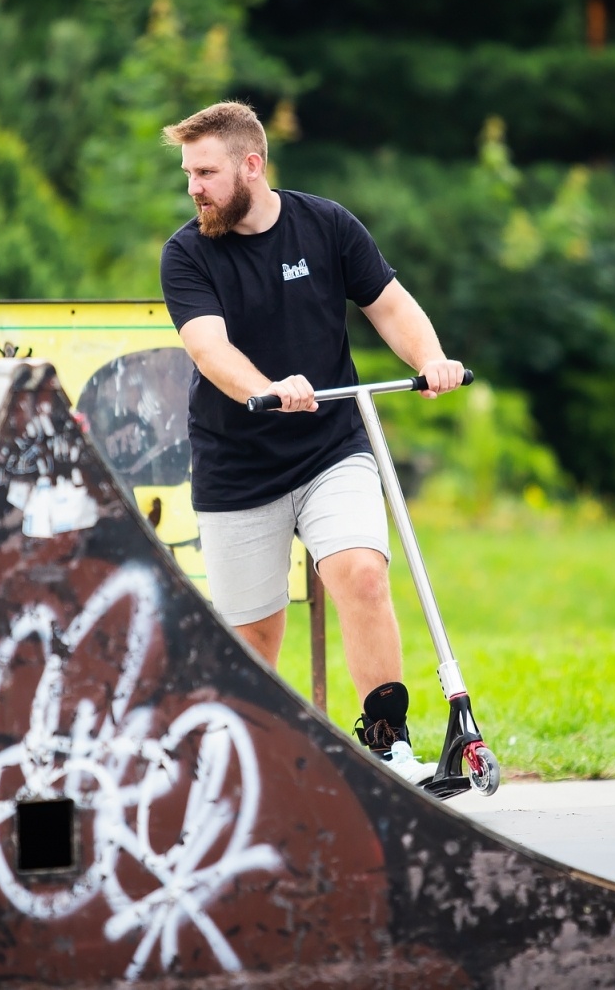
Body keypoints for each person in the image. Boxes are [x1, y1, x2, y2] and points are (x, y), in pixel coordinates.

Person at [158, 100, 466, 783]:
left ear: (251, 165)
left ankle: (388, 749)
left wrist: (431, 359)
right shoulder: (186, 253)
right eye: (189, 174)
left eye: (206, 172)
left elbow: (389, 303)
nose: (194, 188)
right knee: (254, 639)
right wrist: (267, 387)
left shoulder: (326, 225)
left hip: (331, 447)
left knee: (361, 572)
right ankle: (244, 776)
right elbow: (209, 350)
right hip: (237, 464)